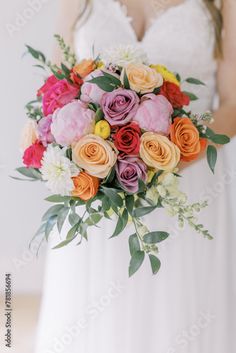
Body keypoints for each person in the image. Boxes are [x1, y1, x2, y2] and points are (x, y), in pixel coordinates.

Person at [35, 1, 236, 352]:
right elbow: (55, 89)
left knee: (178, 314)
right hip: (99, 190)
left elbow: (233, 105)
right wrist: (95, 153)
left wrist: (165, 154)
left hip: (186, 185)